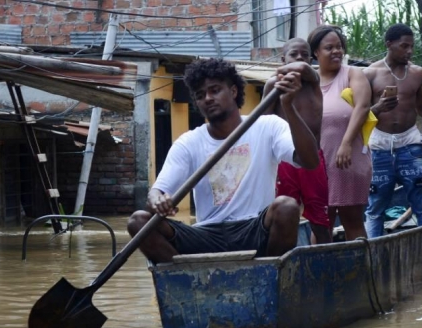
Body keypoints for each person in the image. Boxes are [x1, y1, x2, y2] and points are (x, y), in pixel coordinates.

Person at [127, 58, 320, 263]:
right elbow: (158, 191)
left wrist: (288, 106)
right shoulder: (189, 142)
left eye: (215, 90)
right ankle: (190, 280)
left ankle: (268, 274)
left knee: (287, 207)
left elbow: (309, 161)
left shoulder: (268, 126)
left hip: (254, 228)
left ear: (234, 91)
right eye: (200, 95)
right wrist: (157, 199)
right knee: (138, 222)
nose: (208, 98)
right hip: (206, 235)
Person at [362, 23, 422, 238]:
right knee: (375, 207)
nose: (409, 51)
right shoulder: (370, 74)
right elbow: (359, 114)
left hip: (410, 145)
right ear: (389, 44)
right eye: (404, 46)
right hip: (379, 147)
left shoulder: (417, 73)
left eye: (412, 47)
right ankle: (374, 257)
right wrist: (377, 108)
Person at [263, 38, 331, 244]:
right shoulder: (273, 86)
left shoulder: (313, 81)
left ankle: (329, 263)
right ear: (283, 58)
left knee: (320, 218)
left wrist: (284, 70)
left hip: (311, 159)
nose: (300, 58)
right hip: (283, 161)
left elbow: (302, 68)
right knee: (283, 214)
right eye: (294, 54)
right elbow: (262, 125)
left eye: (305, 54)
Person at [308, 25, 372, 240]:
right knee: (319, 222)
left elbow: (362, 107)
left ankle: (363, 269)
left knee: (351, 219)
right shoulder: (309, 81)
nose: (336, 51)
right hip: (317, 162)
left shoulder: (352, 74)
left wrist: (346, 143)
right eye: (329, 48)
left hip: (347, 159)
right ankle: (320, 269)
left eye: (339, 47)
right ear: (316, 52)